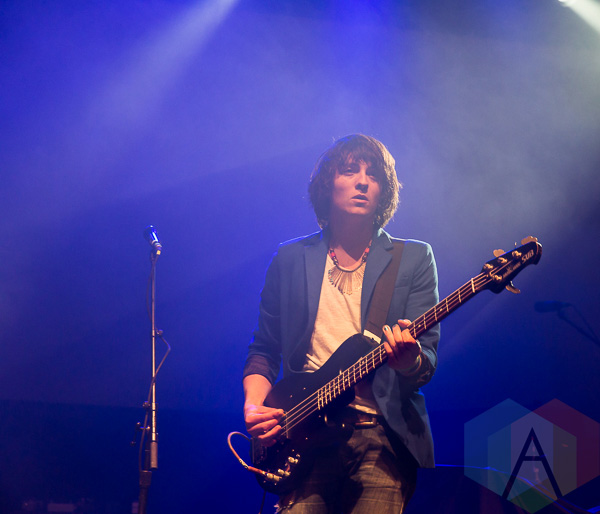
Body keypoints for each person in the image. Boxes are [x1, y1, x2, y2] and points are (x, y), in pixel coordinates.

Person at [243, 134, 440, 513]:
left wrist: (409, 361)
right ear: (326, 184)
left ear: (384, 192)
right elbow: (263, 350)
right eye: (350, 170)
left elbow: (426, 362)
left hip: (381, 439)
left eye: (373, 175)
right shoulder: (289, 258)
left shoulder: (413, 258)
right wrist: (254, 407)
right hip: (304, 434)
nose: (363, 181)